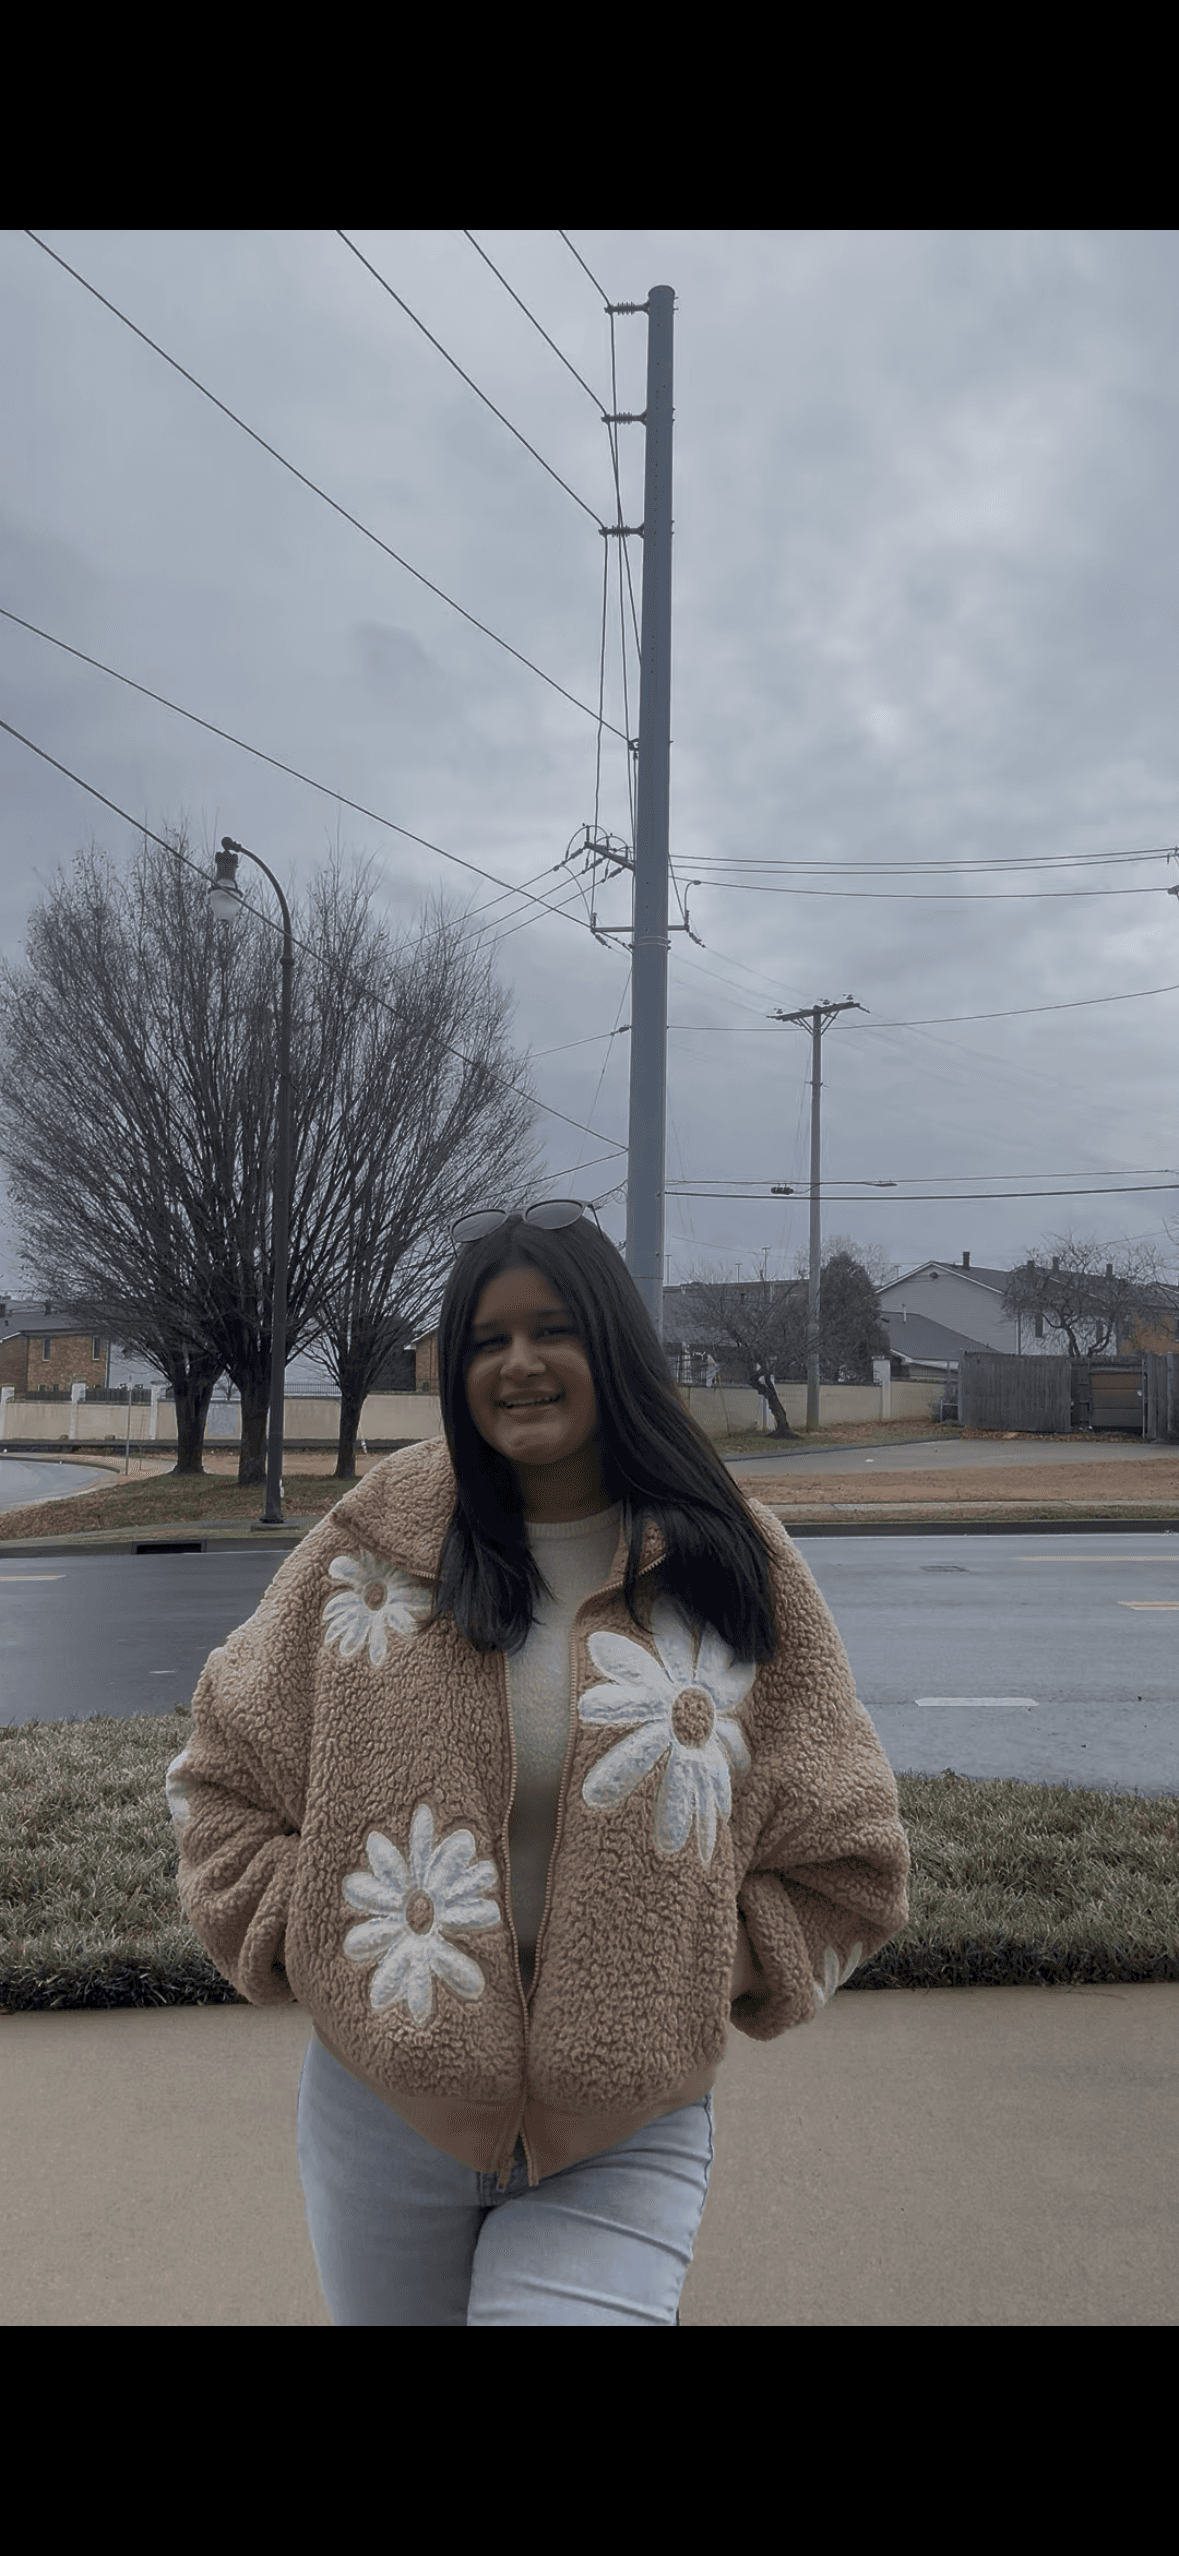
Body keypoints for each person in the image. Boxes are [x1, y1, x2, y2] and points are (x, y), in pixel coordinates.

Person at [166, 1201, 910, 2325]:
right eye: (485, 1340)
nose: (518, 1364)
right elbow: (219, 1779)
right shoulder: (371, 1557)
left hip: (627, 2127)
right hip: (383, 2115)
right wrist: (313, 1936)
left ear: (610, 1344)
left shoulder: (729, 1564)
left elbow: (853, 1858)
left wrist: (705, 1971)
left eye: (550, 1329)